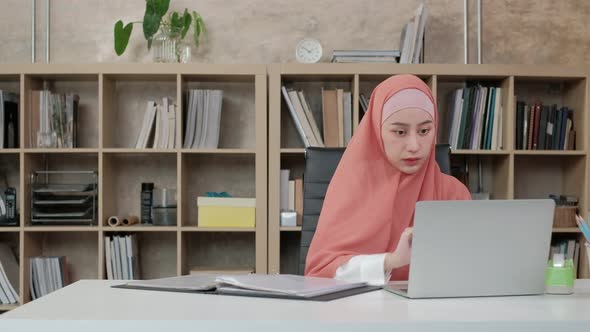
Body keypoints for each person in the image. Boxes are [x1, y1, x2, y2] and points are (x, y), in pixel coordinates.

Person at [305, 74, 471, 285]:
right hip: (357, 312)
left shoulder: (454, 193)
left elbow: (467, 270)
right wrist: (390, 262)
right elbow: (320, 273)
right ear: (377, 131)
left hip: (431, 312)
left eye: (424, 131)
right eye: (400, 132)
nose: (414, 145)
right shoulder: (350, 188)